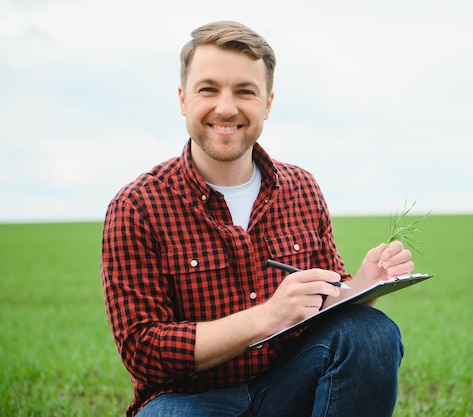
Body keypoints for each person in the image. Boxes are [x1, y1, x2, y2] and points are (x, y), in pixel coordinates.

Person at [101, 20, 415, 417]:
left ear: (267, 103)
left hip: (288, 386)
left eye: (245, 91)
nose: (227, 107)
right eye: (208, 89)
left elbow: (326, 304)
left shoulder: (301, 187)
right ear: (183, 99)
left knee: (371, 334)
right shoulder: (136, 206)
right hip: (186, 402)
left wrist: (362, 287)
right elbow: (143, 351)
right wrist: (267, 316)